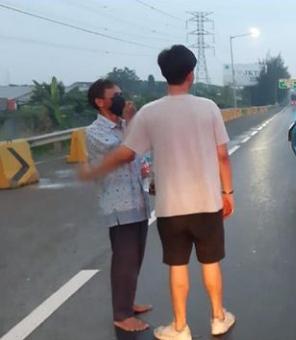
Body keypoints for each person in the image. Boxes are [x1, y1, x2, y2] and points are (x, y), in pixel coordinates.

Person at [78, 45, 235, 340]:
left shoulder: (149, 113)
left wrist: (93, 171)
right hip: (206, 202)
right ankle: (218, 318)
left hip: (169, 208)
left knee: (177, 266)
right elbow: (223, 156)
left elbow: (126, 153)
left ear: (165, 75)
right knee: (210, 263)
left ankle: (179, 327)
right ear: (191, 74)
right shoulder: (209, 107)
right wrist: (228, 192)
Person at [84, 79, 153, 331]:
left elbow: (142, 156)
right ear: (100, 102)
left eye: (121, 94)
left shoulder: (125, 126)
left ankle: (128, 302)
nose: (121, 99)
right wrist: (131, 123)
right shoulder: (95, 132)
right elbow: (127, 151)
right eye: (115, 96)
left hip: (139, 200)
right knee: (124, 259)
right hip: (118, 205)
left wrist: (150, 178)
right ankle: (122, 315)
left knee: (135, 257)